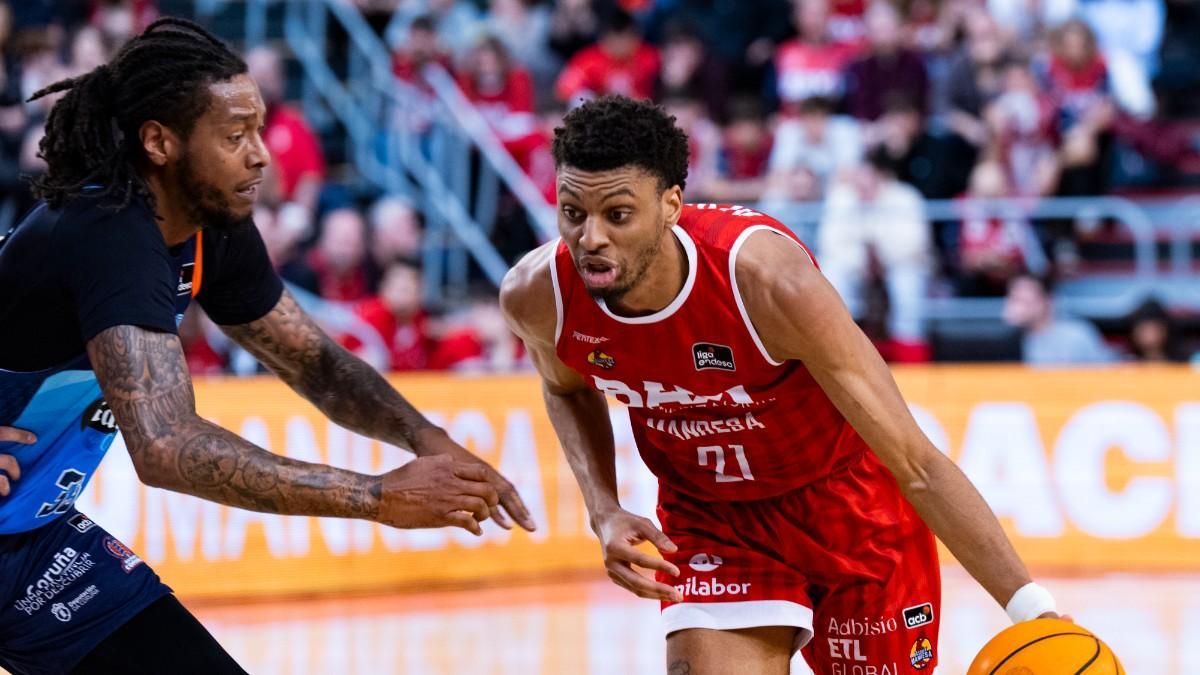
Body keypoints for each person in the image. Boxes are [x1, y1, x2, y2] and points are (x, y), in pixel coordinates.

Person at [0, 19, 534, 675]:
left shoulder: (207, 229)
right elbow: (166, 446)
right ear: (160, 142)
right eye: (234, 136)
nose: (261, 154)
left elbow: (317, 363)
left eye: (259, 129)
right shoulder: (110, 233)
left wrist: (427, 439)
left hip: (27, 536)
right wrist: (375, 496)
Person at [500, 96, 1061, 674]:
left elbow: (916, 464)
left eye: (617, 215)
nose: (589, 237)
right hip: (711, 517)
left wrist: (1034, 611)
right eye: (572, 212)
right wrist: (605, 510)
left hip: (848, 509)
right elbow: (566, 388)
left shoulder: (767, 282)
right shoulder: (539, 297)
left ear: (670, 205)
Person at [1002, 274, 1115, 365]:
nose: (1016, 307)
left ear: (1047, 301)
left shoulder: (1075, 334)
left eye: (1024, 301)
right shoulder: (1014, 339)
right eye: (1013, 299)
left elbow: (1104, 374)